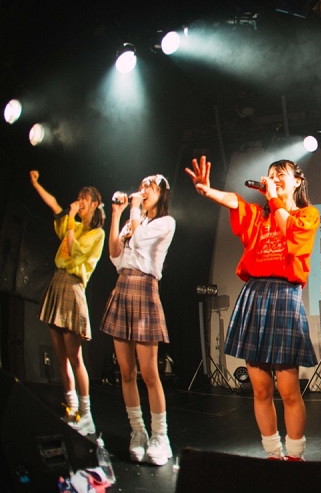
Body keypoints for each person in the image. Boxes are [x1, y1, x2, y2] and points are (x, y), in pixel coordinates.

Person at [185, 155, 320, 461]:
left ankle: (295, 457)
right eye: (271, 174)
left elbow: (289, 230)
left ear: (297, 181)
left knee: (288, 389)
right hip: (255, 294)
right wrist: (208, 191)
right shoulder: (259, 216)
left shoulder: (307, 215)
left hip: (284, 295)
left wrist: (273, 198)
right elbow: (235, 202)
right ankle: (272, 454)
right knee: (260, 388)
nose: (274, 178)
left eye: (281, 174)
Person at [100, 174, 176, 466]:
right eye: (142, 186)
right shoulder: (133, 221)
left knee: (149, 373)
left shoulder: (165, 223)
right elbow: (114, 256)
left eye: (149, 187)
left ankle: (160, 435)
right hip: (123, 286)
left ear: (161, 194)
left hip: (145, 288)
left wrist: (133, 208)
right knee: (126, 372)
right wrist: (116, 214)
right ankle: (138, 431)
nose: (143, 190)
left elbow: (141, 240)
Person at [29, 170, 106, 436]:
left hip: (73, 287)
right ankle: (72, 410)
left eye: (84, 198)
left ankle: (87, 415)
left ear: (94, 203)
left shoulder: (97, 234)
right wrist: (36, 184)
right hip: (57, 282)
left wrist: (71, 219)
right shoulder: (72, 223)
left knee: (75, 356)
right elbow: (54, 205)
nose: (79, 201)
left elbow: (73, 250)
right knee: (60, 356)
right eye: (78, 197)